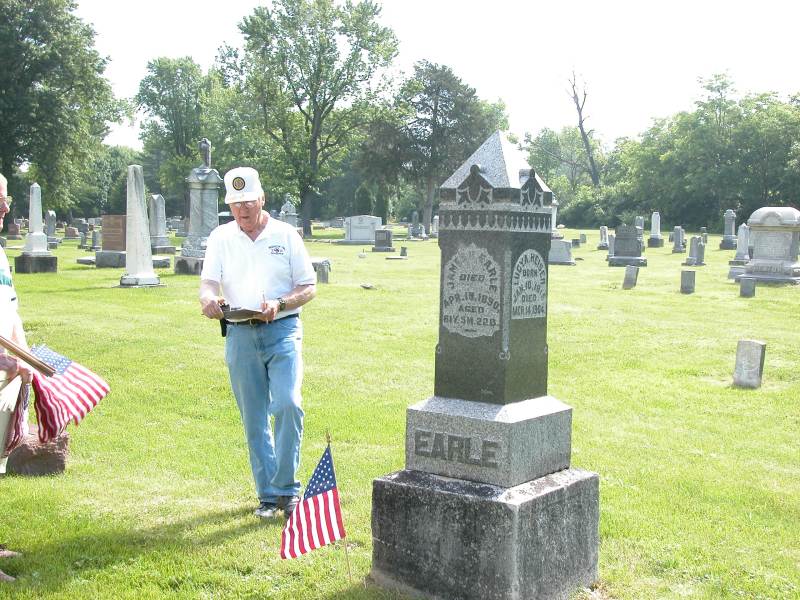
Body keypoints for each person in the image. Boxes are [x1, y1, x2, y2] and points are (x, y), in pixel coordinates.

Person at [199, 167, 316, 519]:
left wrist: (280, 303)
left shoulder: (286, 234)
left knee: (288, 404)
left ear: (262, 198)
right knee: (254, 420)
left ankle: (286, 488)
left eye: (248, 202)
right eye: (235, 204)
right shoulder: (221, 237)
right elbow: (208, 283)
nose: (242, 211)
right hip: (239, 332)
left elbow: (309, 286)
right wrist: (208, 300)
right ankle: (268, 496)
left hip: (282, 330)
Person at [0, 173, 32, 582]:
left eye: (5, 198)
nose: (6, 206)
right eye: (0, 199)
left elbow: (12, 309)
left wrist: (25, 359)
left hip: (7, 373)